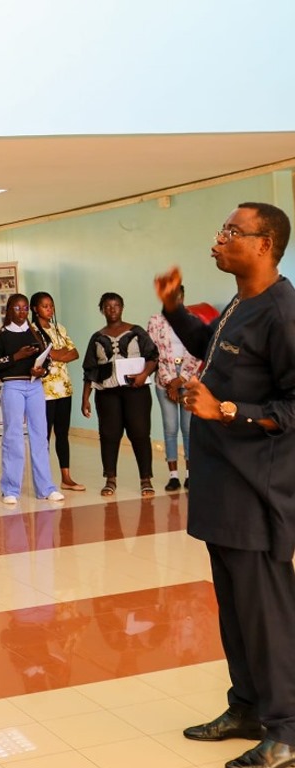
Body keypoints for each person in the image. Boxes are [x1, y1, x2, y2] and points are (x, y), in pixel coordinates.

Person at [155, 202, 295, 768]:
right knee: (235, 612)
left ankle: (286, 730)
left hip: (258, 492)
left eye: (232, 233)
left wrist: (227, 410)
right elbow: (209, 344)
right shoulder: (242, 302)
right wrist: (174, 308)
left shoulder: (283, 314)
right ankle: (247, 709)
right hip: (221, 487)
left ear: (264, 245)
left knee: (267, 615)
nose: (218, 240)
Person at [0, 294, 65, 505]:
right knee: (13, 437)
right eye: (16, 308)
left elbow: (47, 359)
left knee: (40, 436)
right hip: (13, 386)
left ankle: (46, 487)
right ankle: (10, 489)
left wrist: (41, 371)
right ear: (9, 310)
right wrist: (16, 357)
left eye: (24, 309)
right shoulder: (2, 335)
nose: (21, 312)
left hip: (35, 386)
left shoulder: (36, 332)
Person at [81, 292, 158, 497]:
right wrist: (85, 398)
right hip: (107, 394)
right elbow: (89, 370)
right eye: (107, 306)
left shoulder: (137, 332)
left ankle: (146, 479)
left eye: (116, 305)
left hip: (136, 391)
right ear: (102, 310)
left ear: (122, 307)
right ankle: (110, 478)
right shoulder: (97, 337)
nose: (112, 309)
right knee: (109, 435)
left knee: (140, 433)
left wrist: (143, 375)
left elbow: (153, 357)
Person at [146, 285, 202, 491]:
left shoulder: (193, 321)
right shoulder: (155, 321)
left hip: (188, 379)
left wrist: (181, 380)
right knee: (170, 428)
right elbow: (152, 352)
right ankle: (173, 476)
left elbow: (198, 352)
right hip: (164, 378)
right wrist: (170, 382)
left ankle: (189, 474)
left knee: (188, 429)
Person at [29, 291, 85, 491]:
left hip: (64, 389)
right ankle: (43, 480)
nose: (49, 309)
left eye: (51, 305)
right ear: (35, 309)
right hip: (44, 391)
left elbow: (75, 353)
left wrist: (55, 355)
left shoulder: (59, 328)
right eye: (45, 306)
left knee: (63, 434)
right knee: (43, 435)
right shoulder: (32, 330)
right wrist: (59, 354)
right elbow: (45, 355)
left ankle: (66, 477)